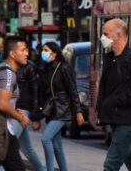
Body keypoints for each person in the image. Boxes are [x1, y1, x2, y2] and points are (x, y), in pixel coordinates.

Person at [96, 18, 131, 171]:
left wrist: (116, 100)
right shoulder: (111, 58)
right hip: (117, 118)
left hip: (129, 119)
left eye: (106, 34)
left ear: (119, 35)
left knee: (111, 164)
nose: (103, 38)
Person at [0, 36, 30, 171]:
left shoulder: (2, 69)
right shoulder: (8, 73)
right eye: (23, 50)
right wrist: (20, 117)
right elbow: (2, 105)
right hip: (0, 129)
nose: (27, 53)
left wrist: (15, 111)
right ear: (12, 53)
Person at [36, 42, 84, 171]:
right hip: (52, 110)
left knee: (45, 138)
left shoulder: (63, 68)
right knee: (57, 146)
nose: (43, 53)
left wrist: (78, 111)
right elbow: (43, 93)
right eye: (43, 50)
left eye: (46, 50)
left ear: (54, 53)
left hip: (62, 109)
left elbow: (73, 91)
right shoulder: (46, 68)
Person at [13, 60, 46, 171]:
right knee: (26, 147)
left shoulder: (29, 67)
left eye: (25, 49)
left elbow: (36, 92)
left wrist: (36, 117)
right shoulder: (8, 66)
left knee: (7, 145)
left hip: (22, 109)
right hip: (13, 109)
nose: (26, 53)